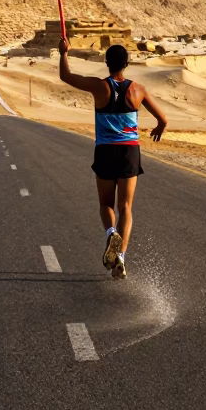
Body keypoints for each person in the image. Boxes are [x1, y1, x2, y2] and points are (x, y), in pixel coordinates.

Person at [58, 38, 167, 278]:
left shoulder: (99, 87)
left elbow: (66, 76)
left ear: (107, 63)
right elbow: (163, 119)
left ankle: (110, 234)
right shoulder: (138, 89)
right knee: (125, 207)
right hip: (129, 151)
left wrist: (64, 53)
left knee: (106, 204)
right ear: (126, 64)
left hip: (105, 150)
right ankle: (121, 257)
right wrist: (159, 129)